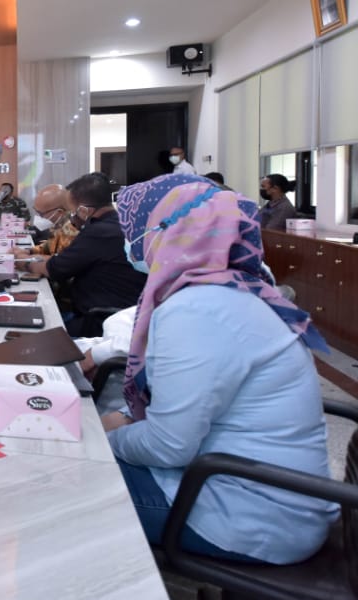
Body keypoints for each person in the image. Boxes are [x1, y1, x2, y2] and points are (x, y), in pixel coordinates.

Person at [106, 173, 334, 563]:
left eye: (138, 230)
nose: (132, 244)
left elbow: (167, 446)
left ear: (170, 230)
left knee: (63, 475)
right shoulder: (233, 289)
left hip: (245, 514)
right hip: (264, 495)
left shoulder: (199, 309)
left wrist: (102, 440)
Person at [26, 172, 145, 336]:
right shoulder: (117, 224)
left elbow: (55, 268)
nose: (70, 218)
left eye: (71, 211)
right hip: (118, 314)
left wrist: (22, 262)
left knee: (34, 331)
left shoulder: (99, 232)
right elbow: (64, 260)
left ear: (83, 210)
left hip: (100, 321)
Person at [29, 184, 77, 256]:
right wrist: (29, 251)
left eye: (41, 213)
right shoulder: (58, 225)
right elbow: (49, 246)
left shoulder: (73, 232)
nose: (38, 217)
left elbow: (63, 261)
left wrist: (30, 260)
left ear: (59, 212)